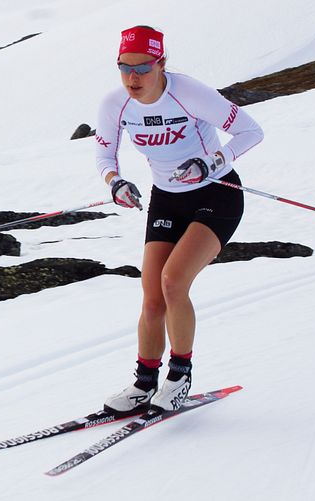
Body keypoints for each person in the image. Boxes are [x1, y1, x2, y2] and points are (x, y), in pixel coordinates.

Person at [95, 26, 263, 415]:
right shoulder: (114, 104)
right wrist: (115, 183)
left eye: (143, 67)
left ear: (161, 64)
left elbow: (250, 131)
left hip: (217, 194)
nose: (133, 78)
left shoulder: (189, 93)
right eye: (124, 68)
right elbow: (105, 157)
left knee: (173, 282)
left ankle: (180, 374)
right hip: (166, 201)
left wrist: (211, 161)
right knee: (152, 295)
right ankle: (143, 383)